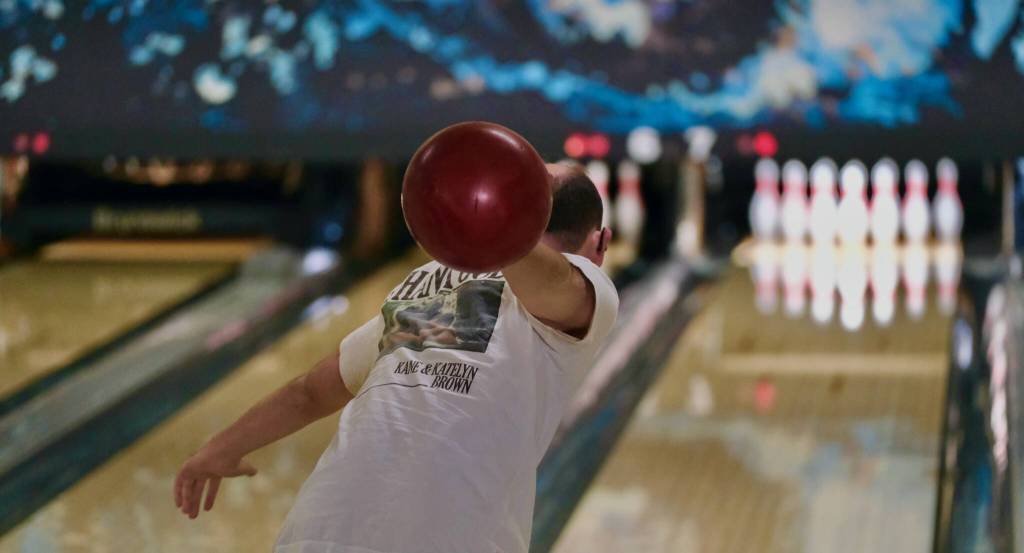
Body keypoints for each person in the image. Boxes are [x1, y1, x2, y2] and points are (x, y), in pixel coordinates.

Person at [174, 162, 619, 553]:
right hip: (388, 534)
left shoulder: (581, 288)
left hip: (341, 533)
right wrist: (219, 448)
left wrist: (486, 220)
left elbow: (551, 284)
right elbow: (312, 390)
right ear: (601, 243)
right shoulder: (441, 278)